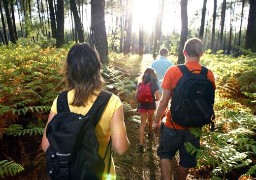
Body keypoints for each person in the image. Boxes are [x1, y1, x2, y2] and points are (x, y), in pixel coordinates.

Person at [41, 43, 130, 179]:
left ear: (69, 69)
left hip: (68, 174)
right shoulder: (112, 101)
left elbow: (45, 145)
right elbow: (121, 148)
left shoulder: (60, 100)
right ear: (97, 67)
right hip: (100, 175)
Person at [153, 38, 216, 180]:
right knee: (186, 161)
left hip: (173, 124)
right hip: (195, 127)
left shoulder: (174, 71)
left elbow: (164, 101)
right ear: (202, 53)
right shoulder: (208, 74)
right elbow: (209, 101)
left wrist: (157, 120)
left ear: (184, 52)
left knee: (165, 154)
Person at [135, 68, 160, 152]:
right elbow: (158, 97)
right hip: (151, 106)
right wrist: (154, 100)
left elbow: (136, 96)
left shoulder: (140, 83)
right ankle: (150, 132)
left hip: (142, 106)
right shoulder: (154, 84)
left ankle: (141, 144)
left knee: (142, 124)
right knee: (150, 120)